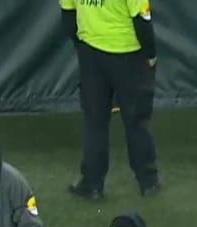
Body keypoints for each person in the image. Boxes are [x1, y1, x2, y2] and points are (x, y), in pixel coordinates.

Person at [60, 0, 160, 199]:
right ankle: (148, 182)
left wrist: (86, 44)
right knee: (136, 121)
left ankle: (92, 183)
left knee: (95, 121)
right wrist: (151, 54)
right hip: (128, 55)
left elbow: (68, 20)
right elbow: (142, 21)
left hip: (91, 54)